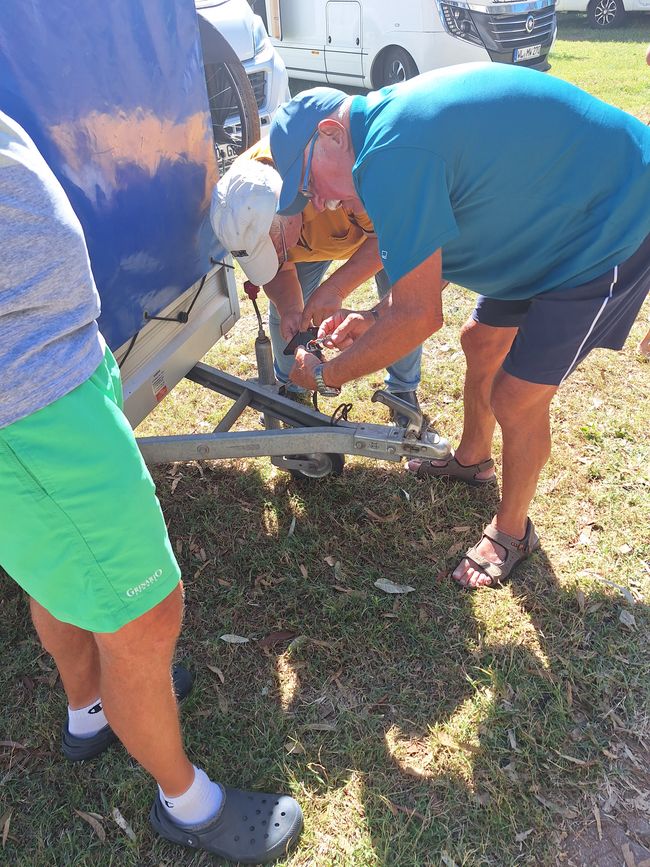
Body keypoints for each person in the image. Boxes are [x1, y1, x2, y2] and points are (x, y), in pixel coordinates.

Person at [0, 110, 302, 863]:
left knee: (57, 570)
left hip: (53, 366)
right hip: (33, 407)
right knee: (146, 613)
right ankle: (187, 802)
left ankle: (91, 711)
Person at [269, 67, 650, 590]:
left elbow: (420, 315)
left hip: (610, 216)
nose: (319, 201)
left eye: (310, 183)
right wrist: (367, 314)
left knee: (516, 397)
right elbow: (425, 252)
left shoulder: (389, 155)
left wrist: (327, 374)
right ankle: (473, 460)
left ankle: (512, 532)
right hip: (548, 216)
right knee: (480, 340)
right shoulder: (385, 134)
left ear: (331, 135)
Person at [210, 141, 423, 421]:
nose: (276, 259)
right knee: (285, 317)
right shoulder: (238, 200)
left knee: (403, 299)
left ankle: (402, 390)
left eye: (276, 250)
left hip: (380, 235)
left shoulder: (337, 170)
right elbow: (278, 271)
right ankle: (293, 387)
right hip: (316, 240)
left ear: (287, 209)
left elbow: (386, 239)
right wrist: (289, 308)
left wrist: (335, 288)